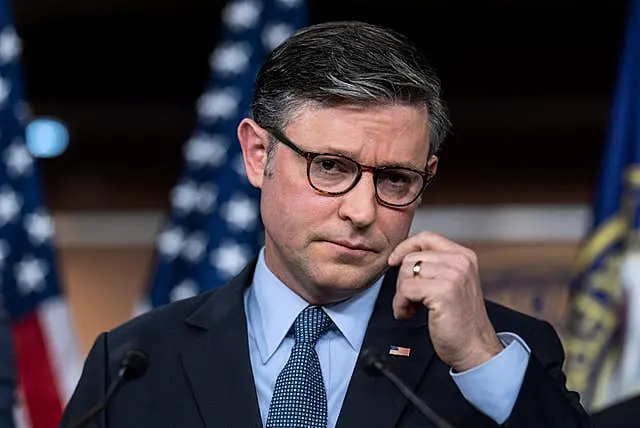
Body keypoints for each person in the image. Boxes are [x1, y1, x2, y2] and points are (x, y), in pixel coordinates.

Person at [60, 21, 591, 428]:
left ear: (426, 175)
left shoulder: (504, 352)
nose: (363, 212)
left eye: (396, 179)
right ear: (256, 155)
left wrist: (478, 358)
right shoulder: (134, 363)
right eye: (331, 167)